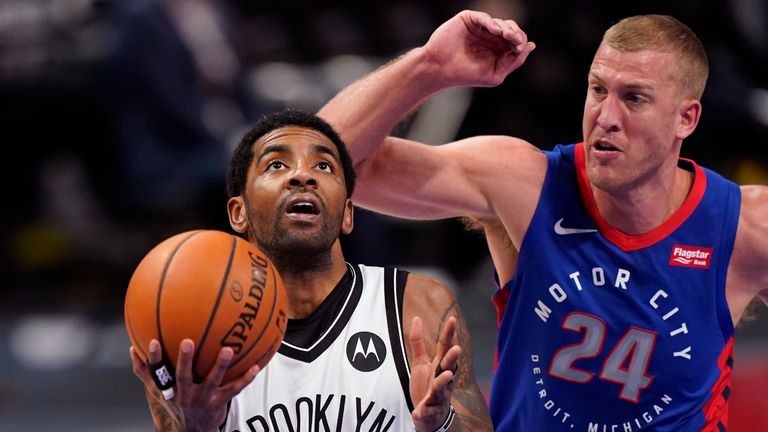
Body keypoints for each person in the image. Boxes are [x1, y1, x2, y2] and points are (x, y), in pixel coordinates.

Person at [317, 10, 768, 431]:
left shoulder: (746, 227)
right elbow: (319, 167)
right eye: (597, 90)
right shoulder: (528, 186)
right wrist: (429, 67)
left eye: (634, 98)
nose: (605, 118)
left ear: (685, 119)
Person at [129, 109, 493, 431]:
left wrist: (441, 423)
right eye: (276, 165)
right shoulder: (188, 326)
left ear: (348, 214)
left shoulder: (415, 305)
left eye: (323, 166)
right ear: (238, 212)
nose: (302, 176)